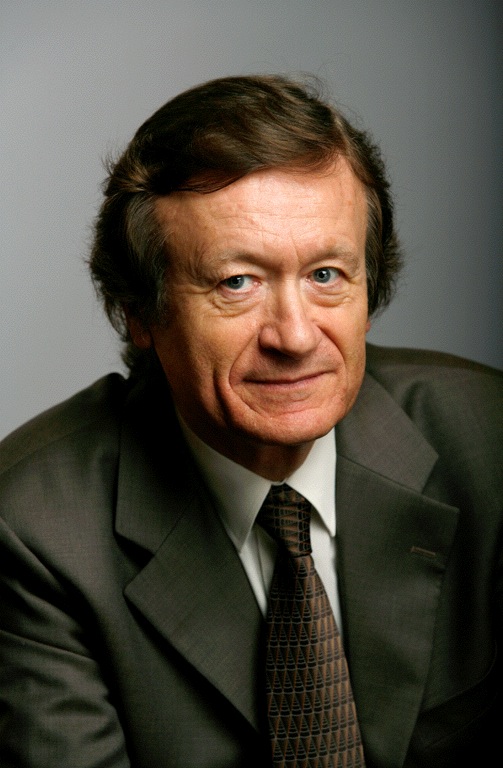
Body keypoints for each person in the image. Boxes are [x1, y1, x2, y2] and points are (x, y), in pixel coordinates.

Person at [0, 74, 501, 768]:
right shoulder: (35, 529)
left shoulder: (487, 438)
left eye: (326, 275)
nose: (294, 336)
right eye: (236, 282)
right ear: (140, 313)